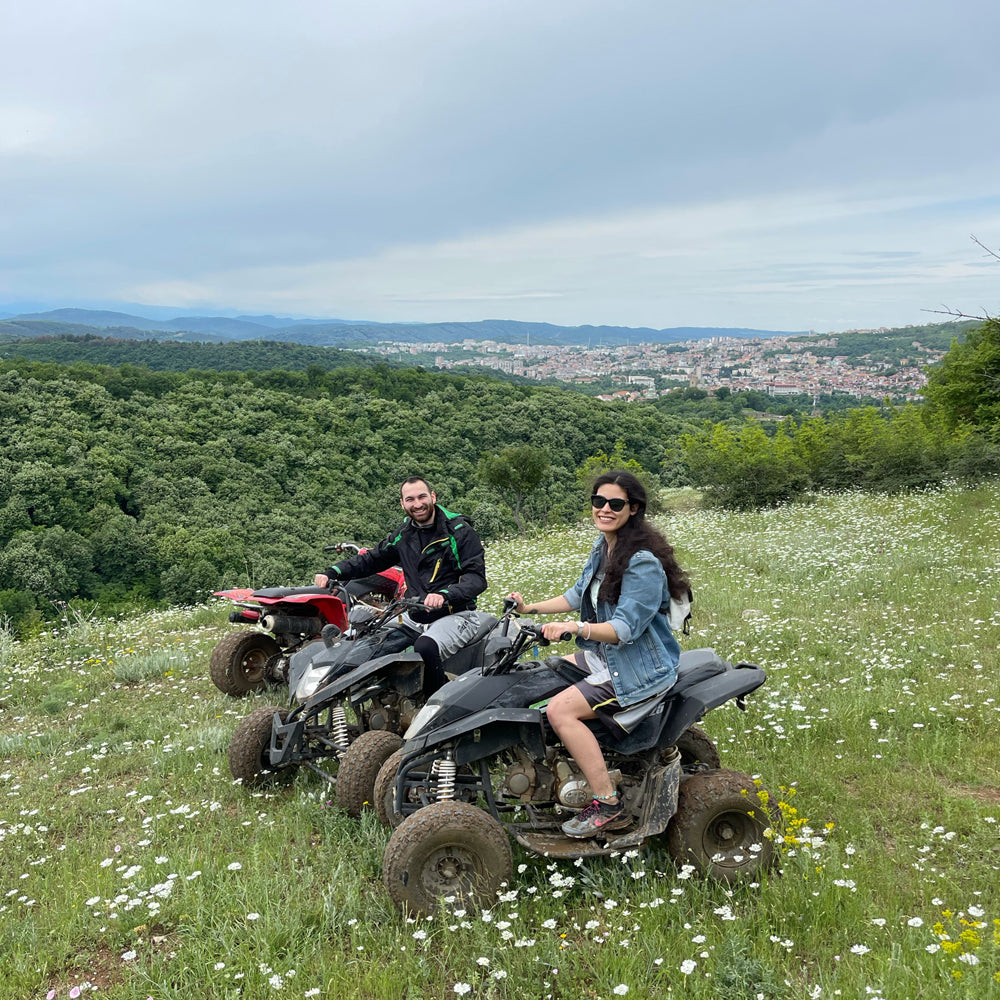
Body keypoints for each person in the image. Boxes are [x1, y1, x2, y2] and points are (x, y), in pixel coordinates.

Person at [508, 470, 690, 839]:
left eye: (615, 504)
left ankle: (608, 805)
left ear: (633, 509)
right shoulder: (603, 547)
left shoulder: (641, 561)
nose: (605, 509)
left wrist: (576, 628)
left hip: (638, 666)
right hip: (606, 657)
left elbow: (624, 629)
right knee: (539, 678)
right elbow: (576, 596)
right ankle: (558, 771)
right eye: (599, 501)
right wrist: (529, 609)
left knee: (560, 710)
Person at [315, 476, 489, 694]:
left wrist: (445, 595)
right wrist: (334, 572)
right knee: (372, 640)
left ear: (433, 497)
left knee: (426, 647)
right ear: (402, 503)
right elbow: (372, 559)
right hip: (415, 615)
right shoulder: (404, 534)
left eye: (422, 497)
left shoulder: (459, 531)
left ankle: (435, 704)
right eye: (410, 499)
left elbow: (476, 578)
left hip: (456, 614)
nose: (417, 504)